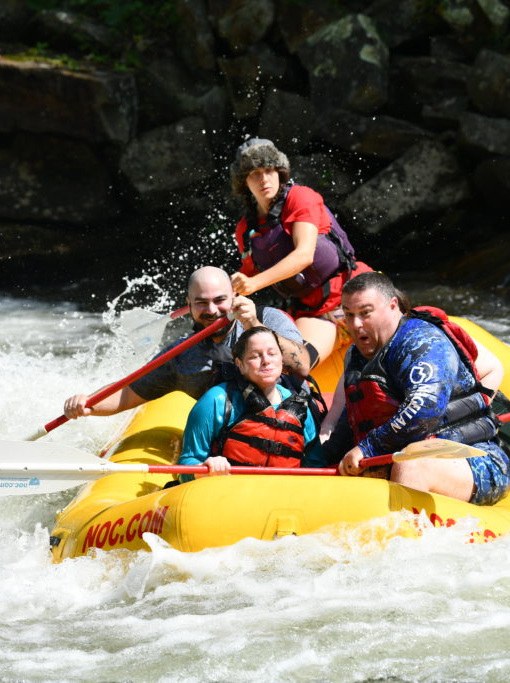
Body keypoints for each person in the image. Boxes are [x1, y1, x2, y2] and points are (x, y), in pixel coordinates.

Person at [322, 272, 510, 505]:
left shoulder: (421, 340)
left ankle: (406, 538)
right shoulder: (355, 355)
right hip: (389, 459)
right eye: (349, 315)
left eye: (365, 313)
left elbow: (425, 410)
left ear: (393, 306)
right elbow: (352, 421)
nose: (355, 325)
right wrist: (318, 461)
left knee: (410, 464)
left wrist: (367, 448)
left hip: (473, 457)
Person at [63, 266, 311, 420]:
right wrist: (88, 404)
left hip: (292, 425)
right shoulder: (181, 355)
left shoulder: (268, 318)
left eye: (220, 300)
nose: (212, 310)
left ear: (235, 297)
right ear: (189, 304)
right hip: (234, 448)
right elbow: (128, 392)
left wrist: (254, 325)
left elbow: (302, 366)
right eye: (201, 302)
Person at [227, 138, 373, 368]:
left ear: (280, 172)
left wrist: (253, 283)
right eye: (255, 173)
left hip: (353, 292)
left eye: (269, 170)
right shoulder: (245, 230)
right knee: (298, 364)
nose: (264, 179)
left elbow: (304, 255)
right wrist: (223, 295)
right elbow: (245, 278)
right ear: (244, 181)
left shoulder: (300, 197)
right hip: (313, 312)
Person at [177, 326, 327, 481]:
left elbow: (316, 467)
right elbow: (186, 465)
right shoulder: (217, 401)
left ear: (282, 359)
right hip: (228, 494)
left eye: (272, 353)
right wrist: (204, 468)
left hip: (282, 497)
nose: (266, 361)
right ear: (239, 364)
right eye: (255, 356)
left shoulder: (301, 409)